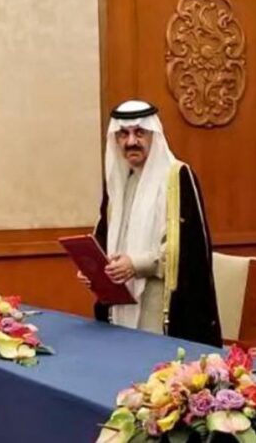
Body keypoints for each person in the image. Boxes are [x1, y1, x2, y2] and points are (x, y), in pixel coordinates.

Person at [79, 100, 222, 347]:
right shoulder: (119, 181)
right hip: (119, 303)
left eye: (139, 133)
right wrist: (93, 269)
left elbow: (189, 251)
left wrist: (136, 264)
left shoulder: (177, 178)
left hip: (160, 307)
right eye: (123, 134)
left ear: (154, 135)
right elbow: (104, 236)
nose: (131, 142)